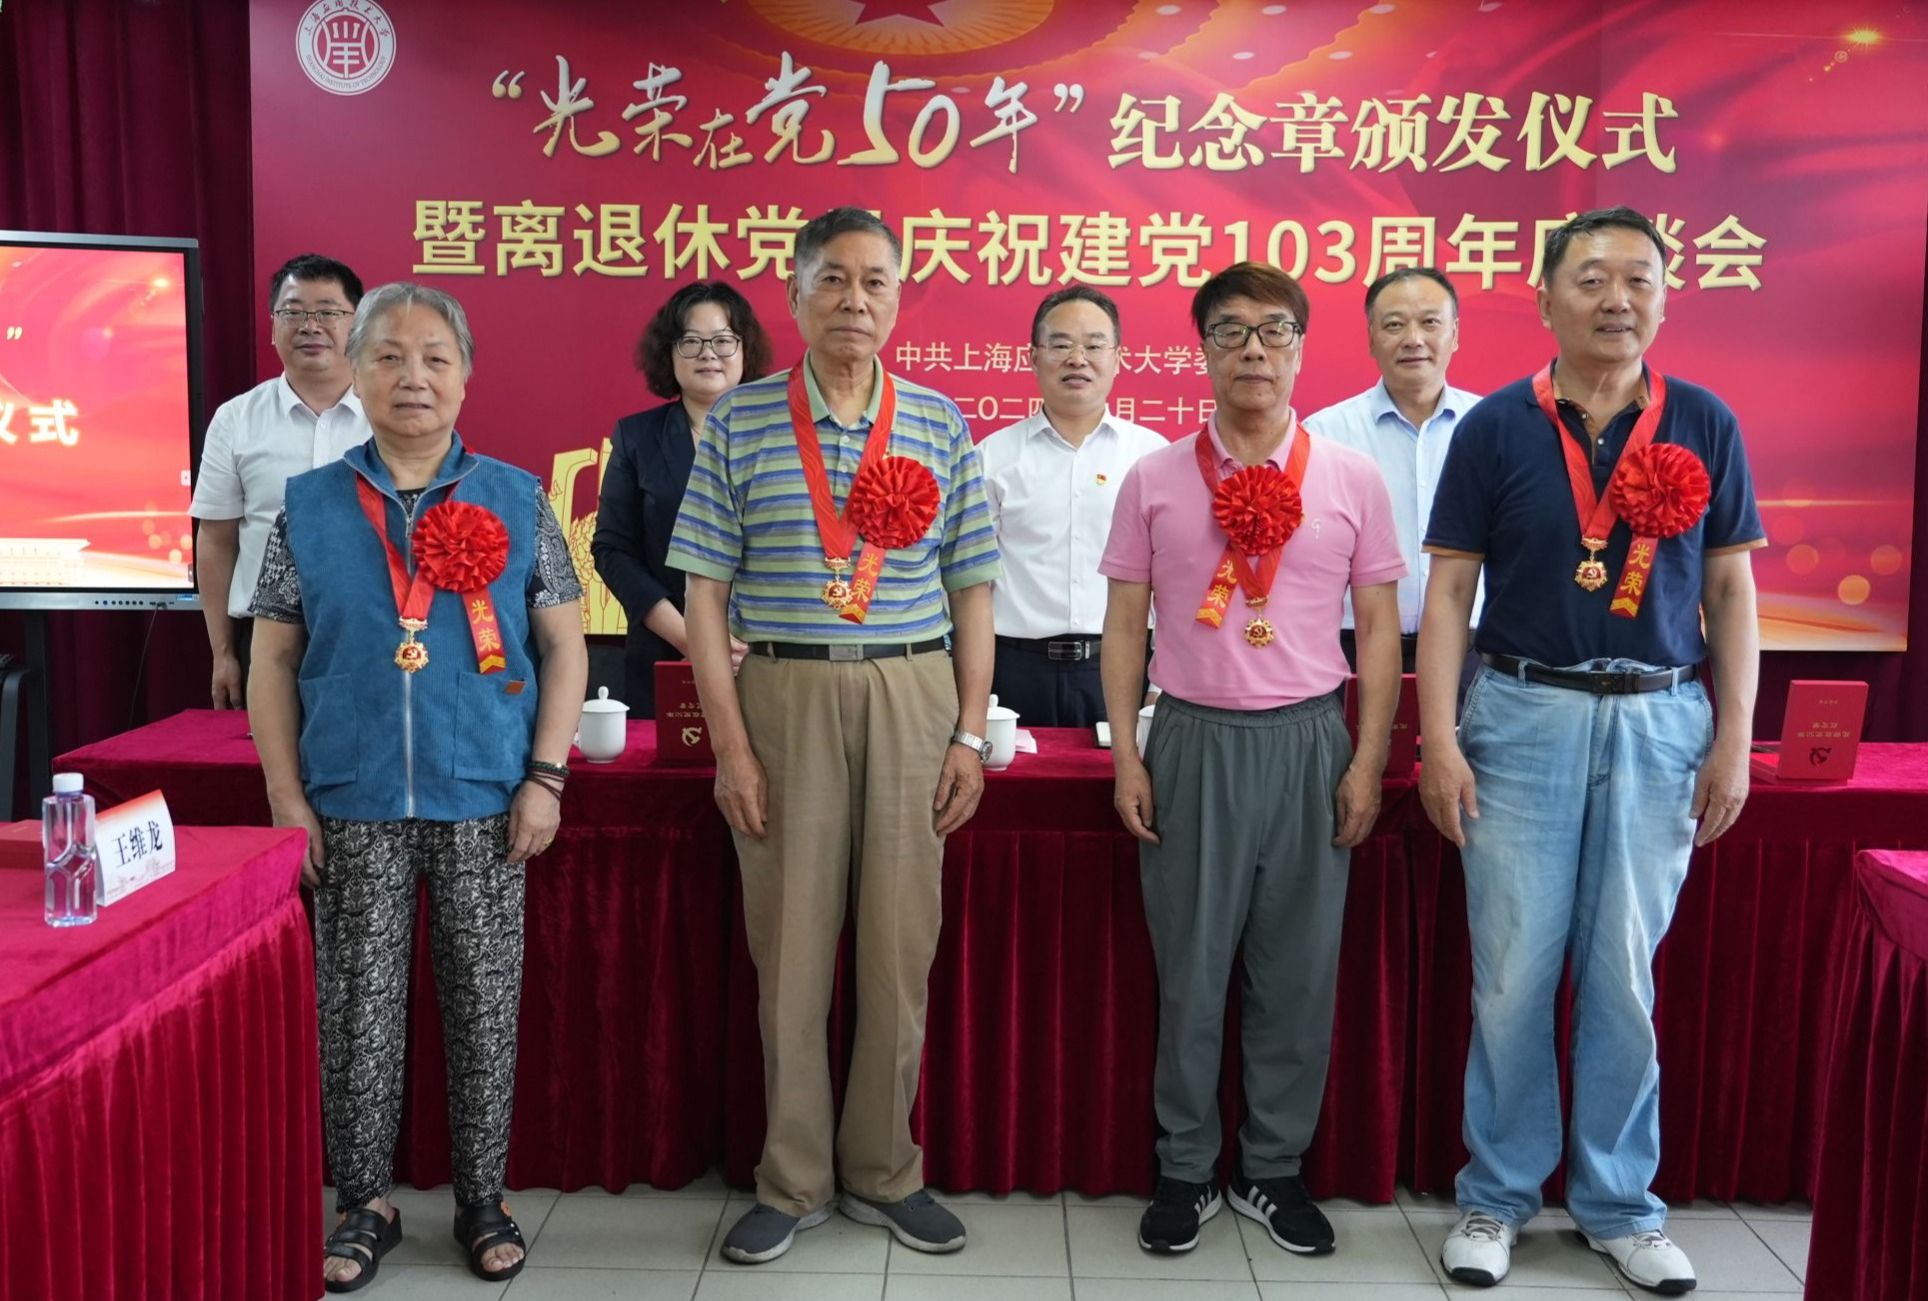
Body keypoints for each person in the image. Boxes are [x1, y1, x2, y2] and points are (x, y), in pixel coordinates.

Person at [1417, 207, 1763, 1294]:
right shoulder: (1494, 427)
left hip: (1661, 721)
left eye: (1638, 278)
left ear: (1664, 295)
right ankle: (1495, 1194)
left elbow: (1729, 591)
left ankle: (1620, 1205)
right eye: (1592, 278)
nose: (1617, 298)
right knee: (1513, 970)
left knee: (1623, 972)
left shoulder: (1703, 419)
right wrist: (1437, 737)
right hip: (1521, 717)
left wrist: (1734, 740)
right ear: (1544, 296)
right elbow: (1448, 593)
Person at [667, 207, 1000, 1265]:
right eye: (834, 280)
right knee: (792, 950)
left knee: (899, 952)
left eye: (875, 281)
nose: (855, 300)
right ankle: (793, 1176)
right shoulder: (739, 421)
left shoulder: (939, 421)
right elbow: (703, 594)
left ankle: (885, 1168)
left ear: (898, 297)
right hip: (786, 694)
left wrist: (968, 733)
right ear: (796, 294)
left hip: (913, 690)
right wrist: (731, 748)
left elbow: (973, 588)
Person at [246, 283, 589, 1294]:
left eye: (435, 356)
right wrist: (287, 797)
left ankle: (483, 1196)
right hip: (350, 796)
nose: (413, 376)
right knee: (356, 1010)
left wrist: (546, 776)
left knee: (484, 1004)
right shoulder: (309, 505)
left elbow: (564, 647)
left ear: (465, 375)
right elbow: (271, 659)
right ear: (355, 372)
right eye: (389, 356)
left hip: (486, 793)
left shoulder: (517, 497)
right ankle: (365, 1201)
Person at [1099, 262, 1406, 1259]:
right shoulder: (1153, 476)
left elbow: (1378, 629)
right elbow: (1124, 625)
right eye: (1229, 331)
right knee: (1189, 971)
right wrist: (1128, 754)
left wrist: (1364, 760)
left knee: (1297, 973)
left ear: (1301, 348)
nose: (1253, 350)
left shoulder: (1351, 476)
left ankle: (1272, 1167)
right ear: (1202, 349)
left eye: (1273, 330)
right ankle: (1186, 1166)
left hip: (1310, 742)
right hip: (1191, 738)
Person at [976, 287, 1165, 725]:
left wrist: (1159, 685)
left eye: (1094, 346)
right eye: (1061, 345)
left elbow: (1172, 583)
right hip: (1014, 671)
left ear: (1118, 358)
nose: (1077, 359)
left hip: (1122, 665)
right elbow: (973, 587)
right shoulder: (991, 458)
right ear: (1033, 356)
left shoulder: (1152, 457)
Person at [190, 253, 370, 707]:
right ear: (273, 327)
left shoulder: (391, 416)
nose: (310, 326)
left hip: (373, 631)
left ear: (358, 325)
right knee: (271, 754)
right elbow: (216, 539)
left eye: (328, 312)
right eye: (292, 312)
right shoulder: (236, 419)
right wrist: (223, 653)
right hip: (265, 634)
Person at [592, 282, 772, 714]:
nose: (708, 354)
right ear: (669, 354)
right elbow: (613, 550)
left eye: (723, 340)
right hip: (668, 654)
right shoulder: (637, 438)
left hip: (768, 656)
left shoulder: (781, 436)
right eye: (691, 341)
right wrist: (692, 638)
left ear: (745, 351)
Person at [1305, 267, 1483, 670]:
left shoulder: (1490, 426)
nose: (1413, 339)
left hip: (1472, 646)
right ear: (1371, 338)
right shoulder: (1325, 434)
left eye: (1430, 322)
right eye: (1394, 325)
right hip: (1351, 642)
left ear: (1454, 334)